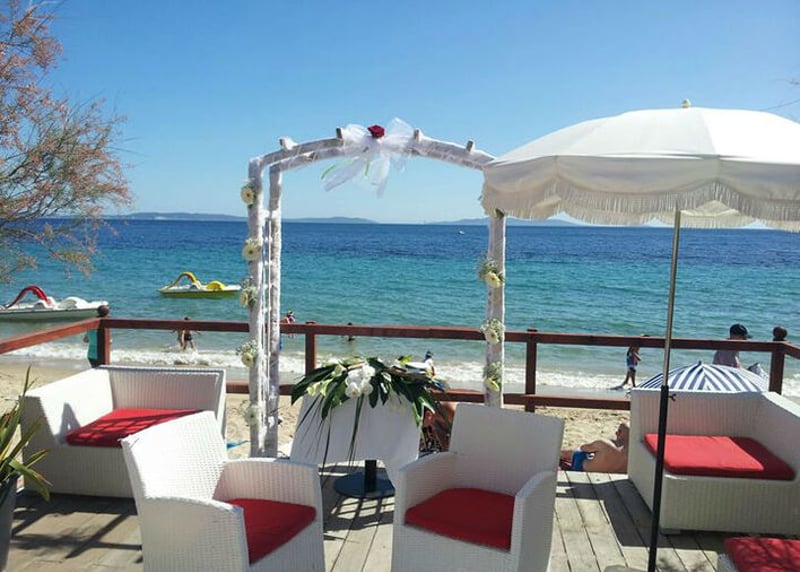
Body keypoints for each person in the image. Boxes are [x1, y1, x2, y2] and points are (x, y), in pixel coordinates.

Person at [560, 422, 630, 473]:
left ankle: (557, 455)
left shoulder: (604, 444)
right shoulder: (634, 453)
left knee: (576, 452)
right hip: (614, 476)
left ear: (619, 433)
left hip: (582, 469)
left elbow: (584, 448)